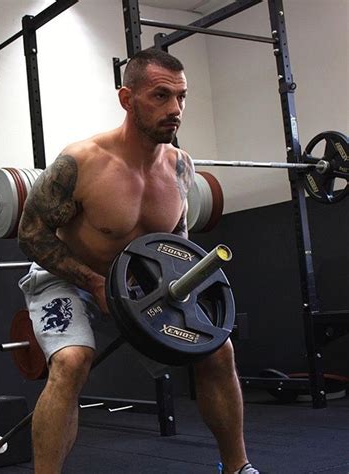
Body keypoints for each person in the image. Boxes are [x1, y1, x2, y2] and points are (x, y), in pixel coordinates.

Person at [18, 48, 258, 474]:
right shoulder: (81, 162)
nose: (176, 109)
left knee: (218, 351)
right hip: (68, 277)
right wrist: (92, 282)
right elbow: (31, 234)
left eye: (182, 97)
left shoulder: (181, 167)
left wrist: (178, 299)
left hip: (135, 286)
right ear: (127, 100)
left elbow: (176, 244)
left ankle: (238, 467)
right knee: (72, 361)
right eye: (161, 96)